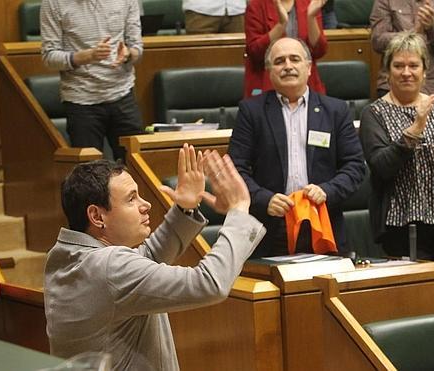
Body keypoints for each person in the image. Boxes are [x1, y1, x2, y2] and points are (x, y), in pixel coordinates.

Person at [44, 144, 265, 370]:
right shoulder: (109, 267)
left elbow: (145, 260)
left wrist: (185, 208)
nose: (146, 205)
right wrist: (239, 211)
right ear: (97, 216)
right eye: (131, 199)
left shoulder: (68, 256)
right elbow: (209, 283)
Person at [229, 37, 366, 257]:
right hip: (271, 227)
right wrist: (264, 199)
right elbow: (236, 169)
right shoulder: (251, 112)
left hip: (321, 222)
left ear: (309, 67)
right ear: (269, 71)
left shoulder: (335, 111)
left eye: (295, 59)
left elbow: (355, 166)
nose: (288, 66)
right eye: (280, 61)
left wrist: (327, 190)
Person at [359, 32, 434, 260]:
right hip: (402, 225)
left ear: (424, 71)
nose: (406, 73)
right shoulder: (373, 113)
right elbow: (382, 166)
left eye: (413, 65)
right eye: (398, 66)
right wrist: (414, 130)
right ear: (387, 72)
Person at [40, 0, 145, 161]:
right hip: (81, 100)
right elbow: (49, 57)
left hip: (123, 95)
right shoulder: (53, 3)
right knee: (90, 175)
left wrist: (128, 54)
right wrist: (88, 56)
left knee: (136, 165)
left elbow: (137, 47)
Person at [370, 0, 434, 99]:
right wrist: (413, 35)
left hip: (433, 87)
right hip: (394, 87)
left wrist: (432, 27)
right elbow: (377, 41)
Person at [244, 0, 328, 98]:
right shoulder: (257, 5)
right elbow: (255, 51)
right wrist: (281, 25)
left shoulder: (308, 3)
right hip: (267, 84)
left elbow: (319, 51)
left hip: (305, 84)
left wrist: (311, 18)